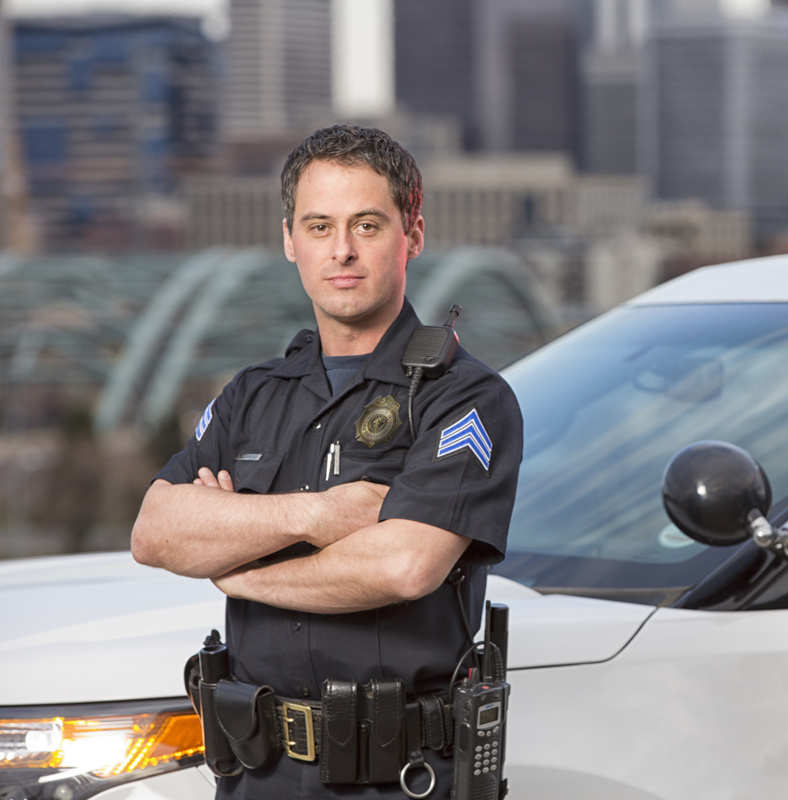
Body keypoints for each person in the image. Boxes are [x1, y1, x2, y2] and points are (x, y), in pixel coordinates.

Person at [131, 124, 523, 799]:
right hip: (255, 774)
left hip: (400, 779)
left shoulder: (465, 399)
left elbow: (404, 566)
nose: (342, 250)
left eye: (367, 225)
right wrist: (319, 515)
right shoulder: (252, 394)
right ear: (290, 240)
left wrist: (239, 566)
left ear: (413, 235)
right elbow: (155, 532)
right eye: (319, 227)